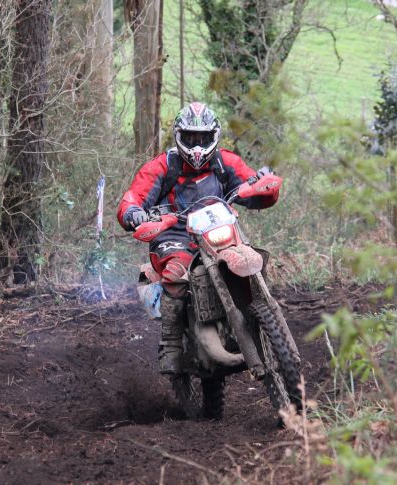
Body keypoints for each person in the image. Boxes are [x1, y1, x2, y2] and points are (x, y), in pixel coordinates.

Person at [117, 102, 281, 375]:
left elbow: (251, 185)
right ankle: (170, 344)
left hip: (217, 229)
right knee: (176, 271)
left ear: (213, 136)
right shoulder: (162, 167)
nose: (196, 145)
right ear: (179, 136)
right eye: (190, 138)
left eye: (202, 138)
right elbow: (133, 197)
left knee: (249, 253)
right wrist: (134, 212)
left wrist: (262, 184)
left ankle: (260, 312)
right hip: (174, 234)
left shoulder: (224, 161)